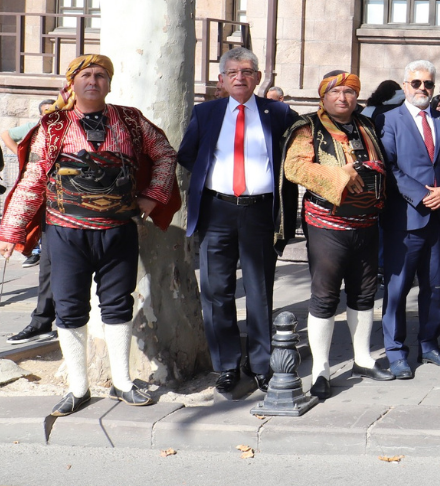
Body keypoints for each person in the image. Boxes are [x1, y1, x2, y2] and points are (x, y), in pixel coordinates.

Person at [0, 55, 180, 416]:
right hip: (66, 234)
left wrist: (151, 196)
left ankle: (122, 382)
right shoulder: (52, 125)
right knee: (69, 310)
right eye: (86, 75)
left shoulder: (131, 120)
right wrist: (10, 231)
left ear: (110, 84)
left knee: (117, 306)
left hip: (119, 231)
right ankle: (79, 388)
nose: (93, 81)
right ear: (72, 83)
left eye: (101, 75)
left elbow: (164, 154)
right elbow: (33, 179)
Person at [176, 47, 296, 395]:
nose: (240, 77)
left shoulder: (279, 113)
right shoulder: (207, 112)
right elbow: (187, 154)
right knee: (216, 291)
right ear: (221, 80)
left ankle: (260, 364)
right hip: (217, 210)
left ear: (258, 78)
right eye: (232, 72)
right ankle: (227, 365)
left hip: (260, 212)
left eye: (247, 71)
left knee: (259, 291)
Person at [284, 71, 393, 399]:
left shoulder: (367, 124)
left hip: (366, 221)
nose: (343, 97)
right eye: (336, 92)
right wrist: (339, 175)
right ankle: (321, 368)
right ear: (323, 96)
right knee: (325, 296)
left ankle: (362, 358)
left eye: (349, 91)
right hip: (326, 223)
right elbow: (295, 168)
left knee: (364, 293)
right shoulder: (307, 127)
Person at [377, 60, 440, 375]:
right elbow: (389, 166)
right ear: (404, 86)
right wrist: (424, 195)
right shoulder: (388, 120)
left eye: (428, 83)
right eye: (416, 83)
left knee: (434, 288)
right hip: (405, 220)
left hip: (439, 220)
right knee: (397, 291)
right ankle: (396, 352)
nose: (422, 89)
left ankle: (429, 345)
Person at [4, 99, 58, 346]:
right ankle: (42, 322)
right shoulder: (39, 130)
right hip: (55, 216)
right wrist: (12, 231)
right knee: (48, 270)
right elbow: (31, 184)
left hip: (107, 220)